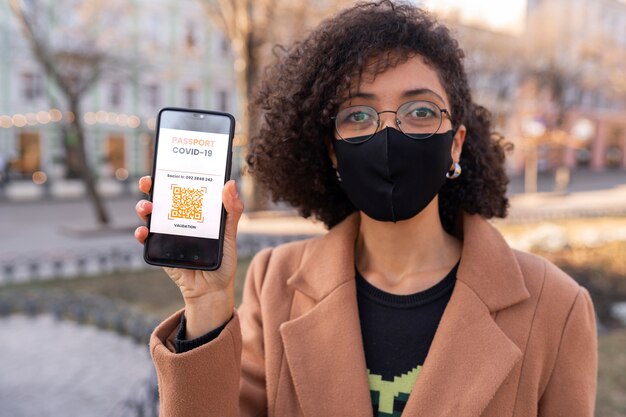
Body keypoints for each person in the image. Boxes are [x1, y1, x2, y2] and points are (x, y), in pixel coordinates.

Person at [134, 2, 597, 416]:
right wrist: (207, 305)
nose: (389, 137)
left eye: (420, 111)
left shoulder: (556, 306)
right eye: (357, 115)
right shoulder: (274, 282)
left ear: (455, 144)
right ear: (333, 152)